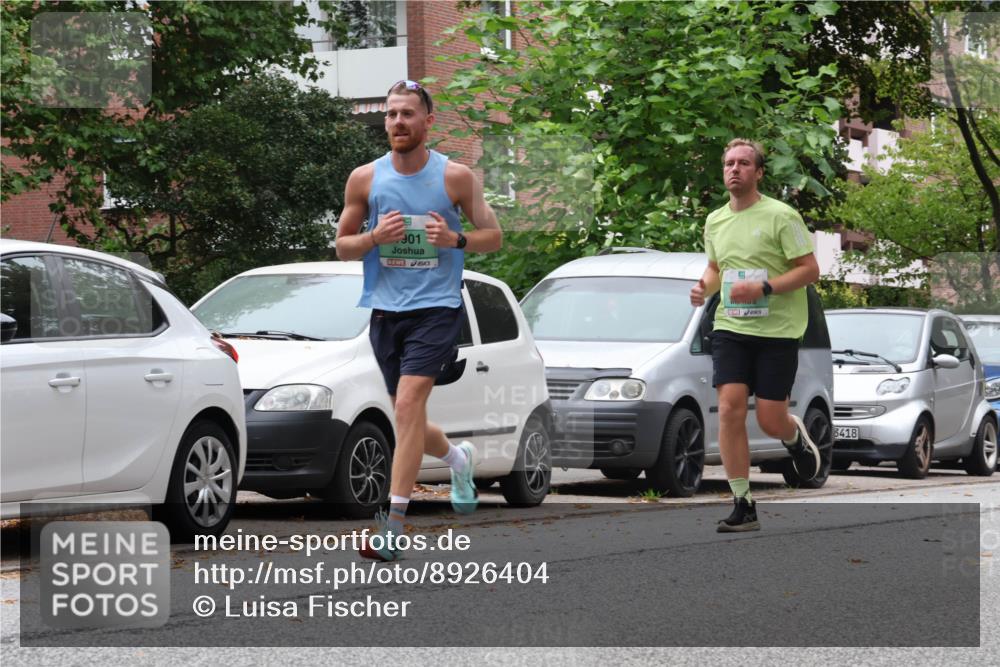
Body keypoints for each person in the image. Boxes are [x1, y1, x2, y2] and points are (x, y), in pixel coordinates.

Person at [335, 80, 502, 560]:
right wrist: (372, 238)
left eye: (407, 114)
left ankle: (393, 528)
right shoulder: (364, 179)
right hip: (386, 312)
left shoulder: (456, 177)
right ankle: (457, 458)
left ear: (429, 121)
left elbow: (494, 236)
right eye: (390, 114)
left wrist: (456, 240)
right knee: (406, 413)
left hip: (436, 309)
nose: (397, 123)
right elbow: (342, 245)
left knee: (407, 404)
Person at [689, 138, 822, 533]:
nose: (734, 169)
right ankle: (742, 502)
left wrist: (765, 288)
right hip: (731, 325)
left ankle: (793, 435)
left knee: (768, 420)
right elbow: (716, 268)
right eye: (729, 163)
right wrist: (704, 288)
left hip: (779, 330)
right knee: (729, 408)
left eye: (744, 163)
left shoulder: (781, 216)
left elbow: (810, 269)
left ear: (759, 172)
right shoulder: (715, 220)